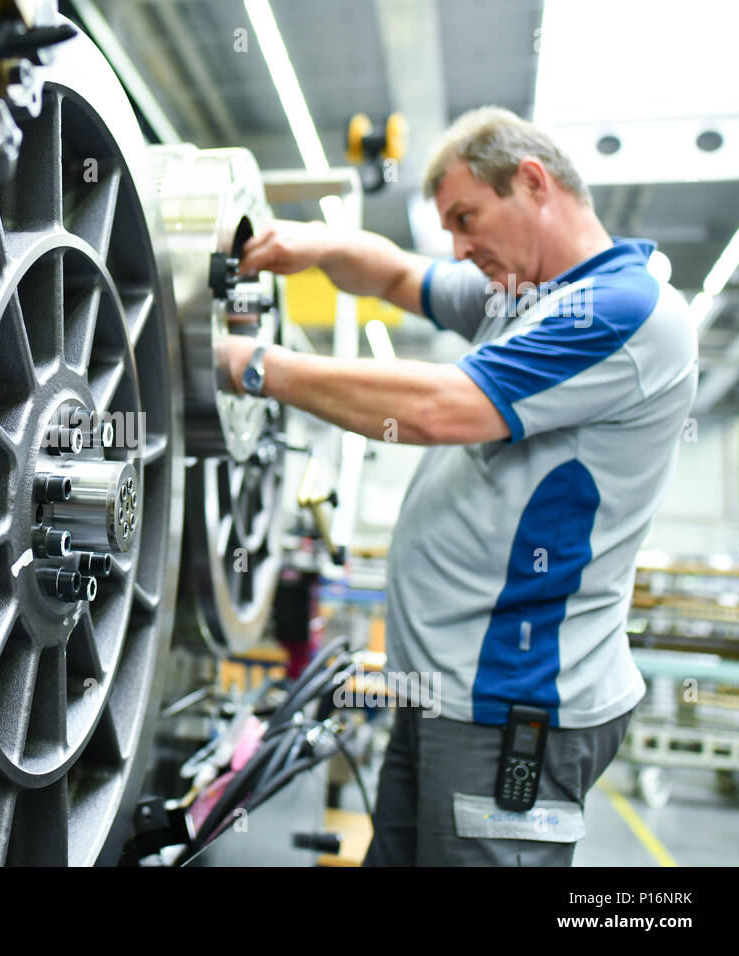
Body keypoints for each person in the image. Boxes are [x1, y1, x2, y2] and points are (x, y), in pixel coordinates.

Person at [226, 106, 698, 865]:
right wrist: (315, 245)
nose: (458, 245)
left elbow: (440, 409)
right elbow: (397, 274)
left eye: (466, 217)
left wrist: (250, 366)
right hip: (442, 695)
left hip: (511, 705)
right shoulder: (522, 296)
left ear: (534, 182)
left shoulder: (619, 309)